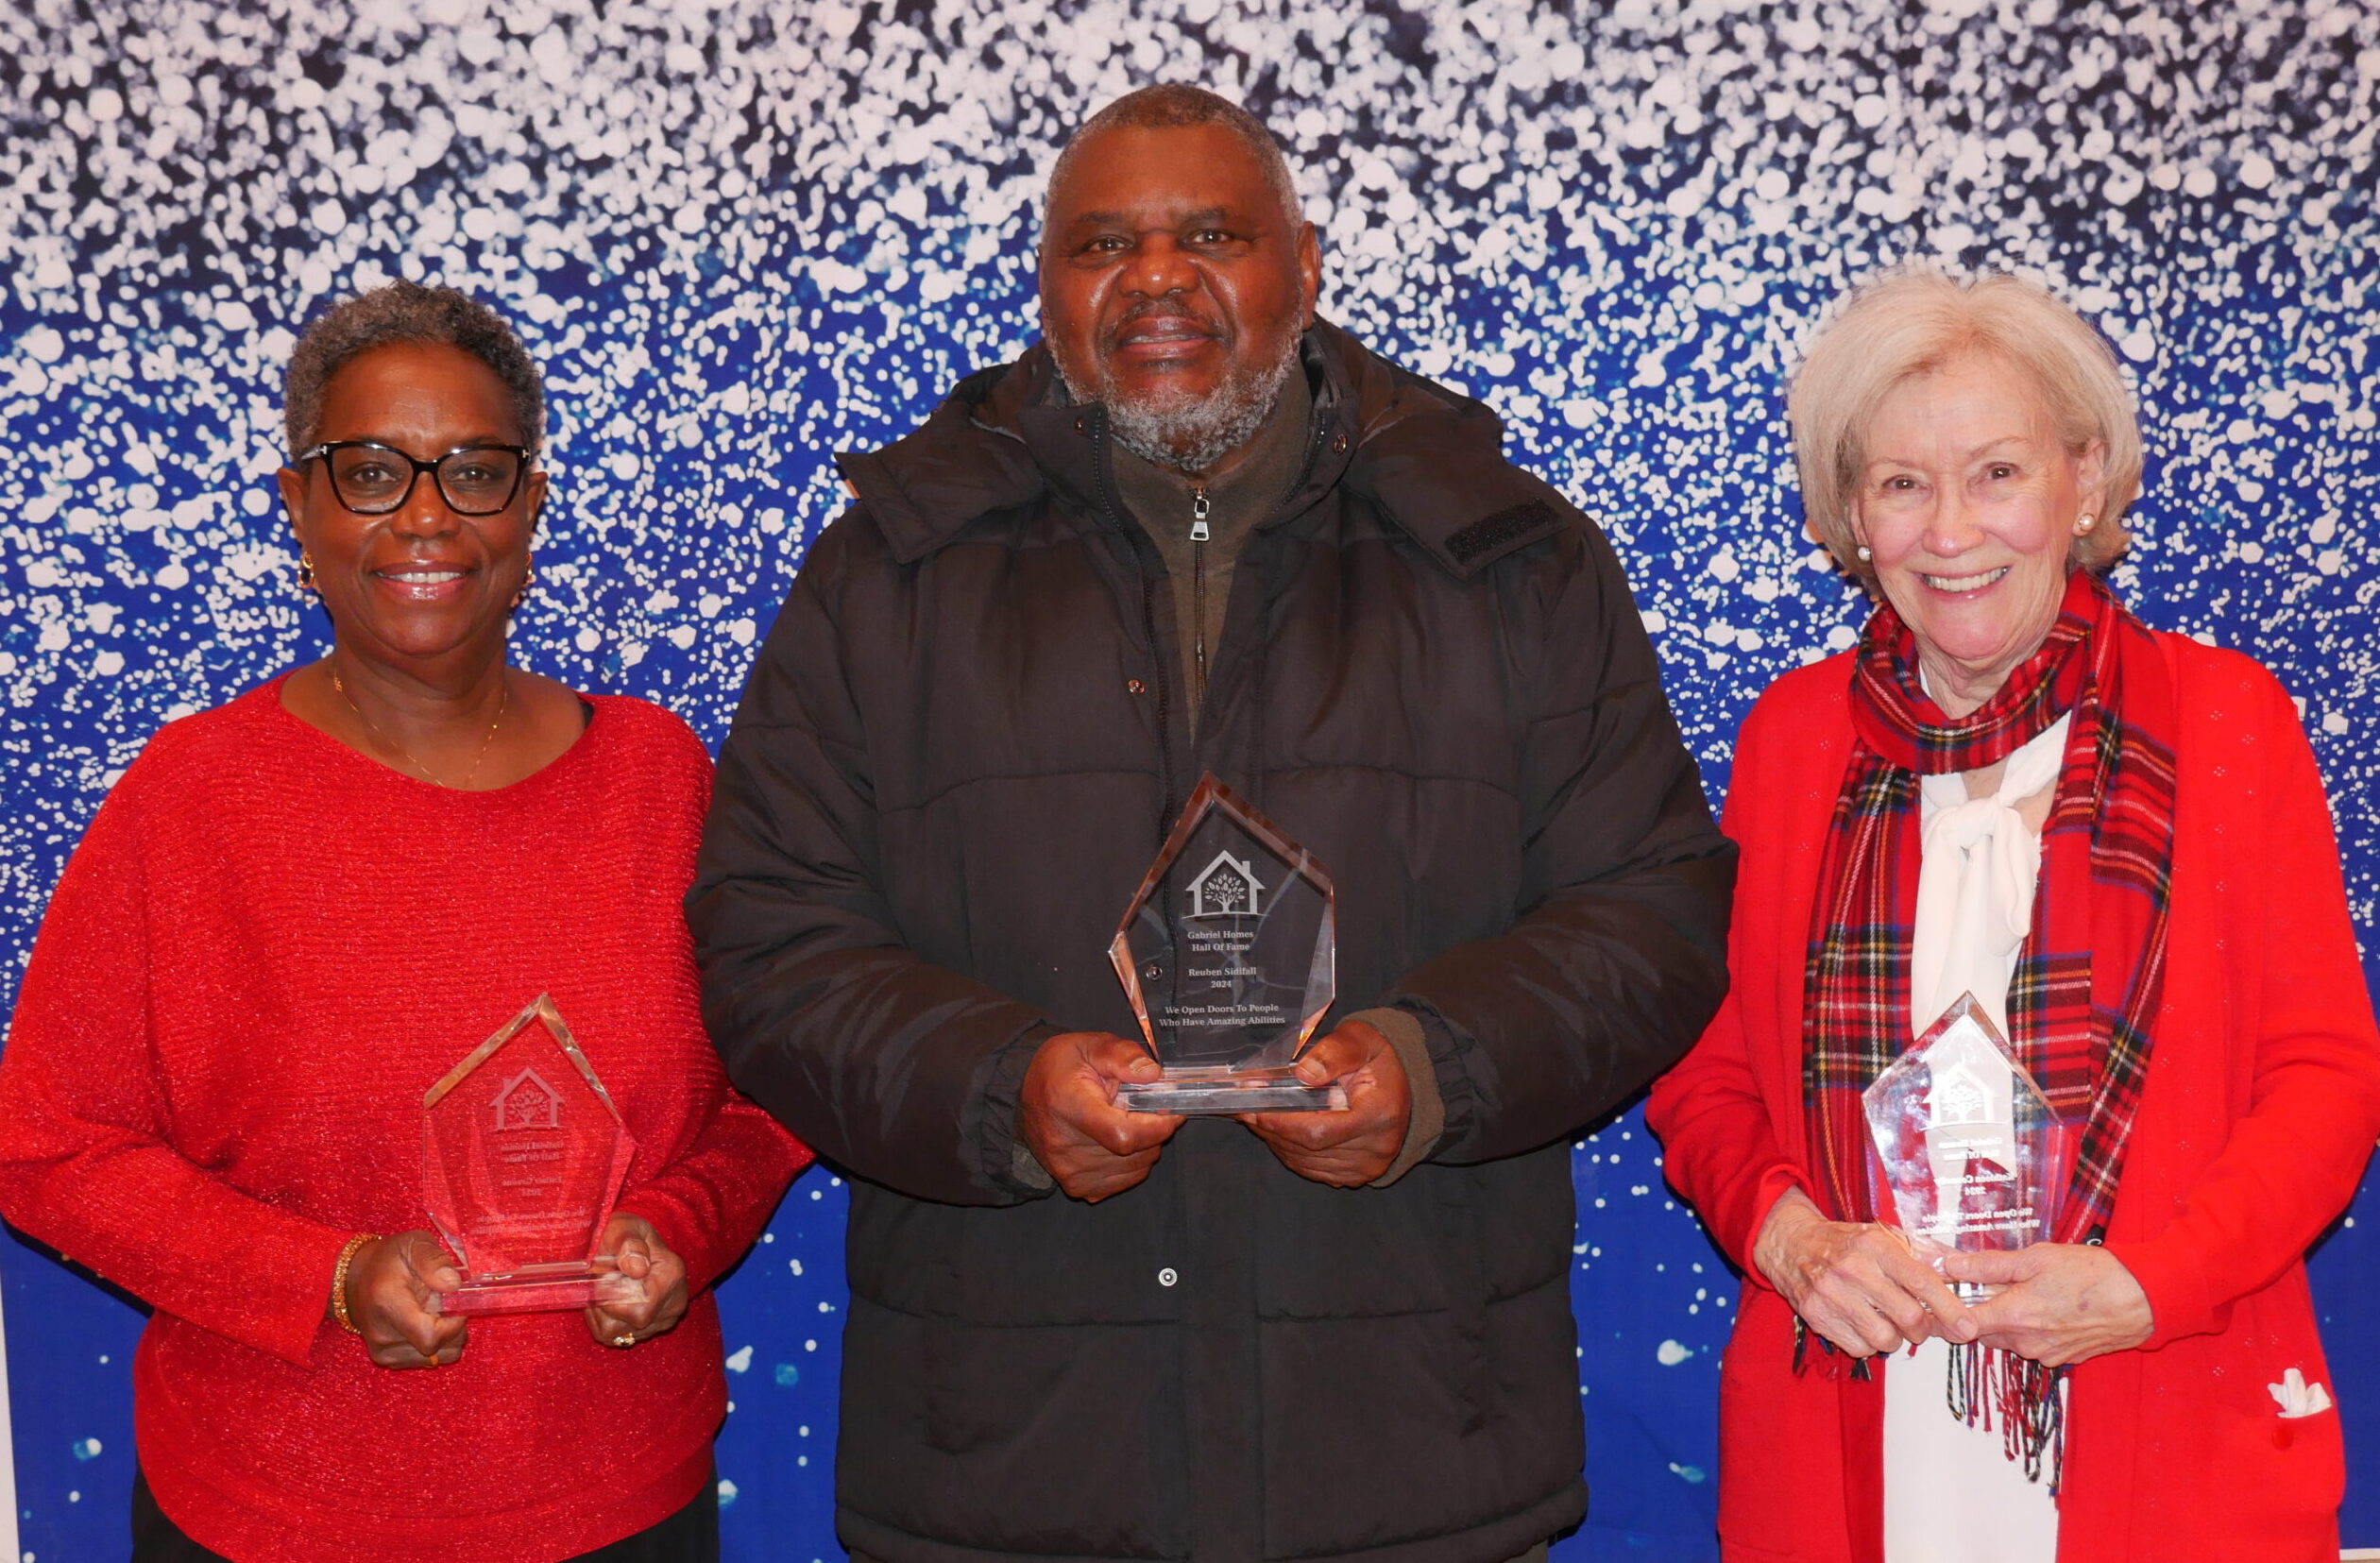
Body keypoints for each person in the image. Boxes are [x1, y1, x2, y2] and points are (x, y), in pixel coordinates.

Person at [690, 85, 1735, 1563]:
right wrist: (1004, 1093)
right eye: (1103, 241)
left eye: (1213, 234)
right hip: (1015, 1464)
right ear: (1048, 288)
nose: (1157, 277)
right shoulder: (890, 578)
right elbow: (770, 942)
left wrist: (1432, 1074)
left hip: (1405, 1457)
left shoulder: (1511, 560)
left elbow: (1652, 909)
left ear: (1304, 264)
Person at [0, 281, 811, 1563]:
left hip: (618, 1501)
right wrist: (322, 1279)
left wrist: (689, 1227)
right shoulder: (191, 801)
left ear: (530, 508)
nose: (427, 514)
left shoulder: (662, 784)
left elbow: (773, 1093)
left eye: (475, 471)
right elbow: (46, 1148)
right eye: (370, 470)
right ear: (299, 510)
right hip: (272, 1515)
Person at [1644, 269, 2380, 1561]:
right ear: (1851, 516)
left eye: (1996, 473)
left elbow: (2325, 1082)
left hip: (2162, 1400)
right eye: (1902, 484)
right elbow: (1707, 1083)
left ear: (2083, 484)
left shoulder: (2224, 721)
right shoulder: (1791, 742)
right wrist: (1795, 1239)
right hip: (1849, 1427)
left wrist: (2152, 1285)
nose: (1950, 531)